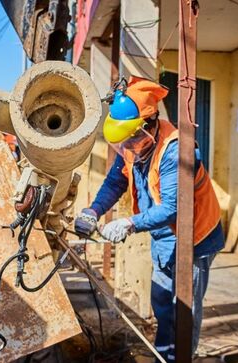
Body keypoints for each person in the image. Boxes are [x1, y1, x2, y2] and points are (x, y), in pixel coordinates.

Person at [74, 77, 224, 362]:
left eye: (133, 138)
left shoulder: (176, 151)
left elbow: (172, 207)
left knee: (184, 308)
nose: (128, 146)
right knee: (162, 300)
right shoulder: (134, 146)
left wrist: (129, 224)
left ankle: (179, 357)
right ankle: (164, 354)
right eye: (124, 141)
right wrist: (93, 210)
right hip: (165, 236)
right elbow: (115, 182)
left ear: (150, 124)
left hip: (194, 237)